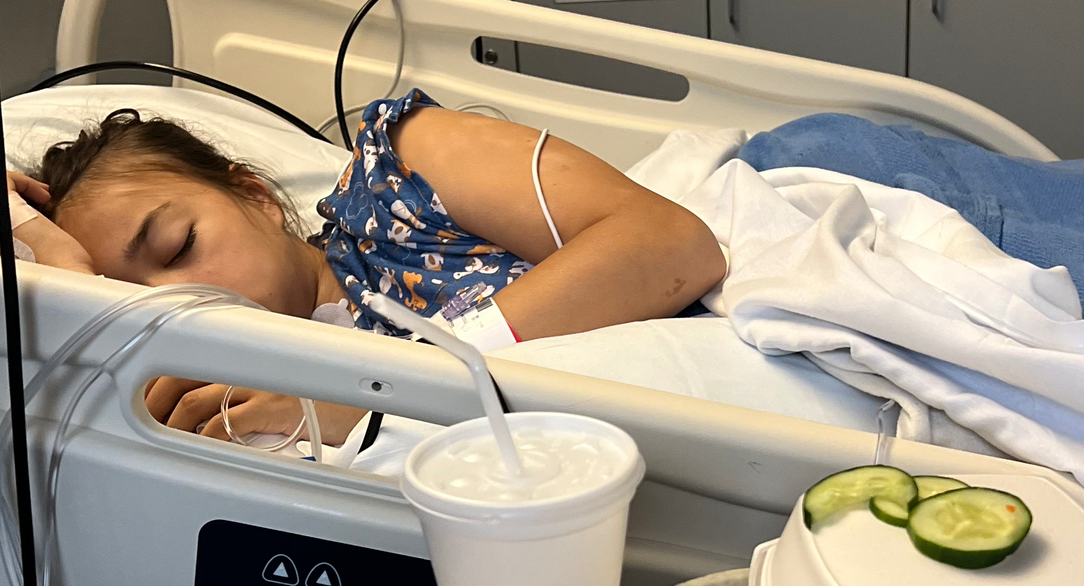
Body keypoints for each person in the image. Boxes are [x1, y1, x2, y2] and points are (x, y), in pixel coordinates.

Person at [5, 89, 726, 446]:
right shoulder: (194, 404)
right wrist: (47, 248)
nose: (175, 298)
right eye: (125, 296)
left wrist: (375, 393)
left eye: (176, 247)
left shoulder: (401, 178)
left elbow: (671, 244)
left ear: (255, 196)